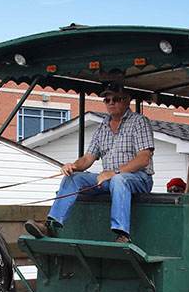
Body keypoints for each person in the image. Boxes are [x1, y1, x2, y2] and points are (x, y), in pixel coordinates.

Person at [25, 82, 154, 244]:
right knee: (73, 178)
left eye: (116, 99)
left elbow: (144, 158)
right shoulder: (102, 127)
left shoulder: (139, 122)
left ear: (127, 101)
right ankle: (50, 227)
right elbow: (88, 159)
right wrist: (73, 166)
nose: (111, 103)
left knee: (119, 179)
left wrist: (115, 173)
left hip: (139, 179)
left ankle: (122, 235)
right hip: (109, 180)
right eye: (107, 100)